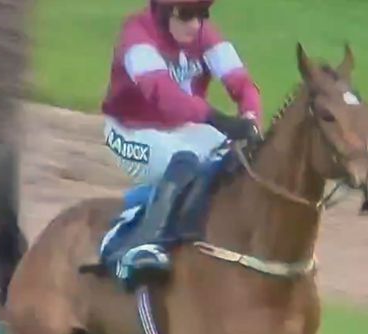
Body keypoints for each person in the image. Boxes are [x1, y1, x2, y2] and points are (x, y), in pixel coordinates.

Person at [100, 0, 263, 284]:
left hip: (183, 127)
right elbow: (163, 95)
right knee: (185, 164)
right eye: (186, 15)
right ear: (164, 12)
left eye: (202, 14)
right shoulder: (136, 36)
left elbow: (242, 84)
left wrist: (250, 118)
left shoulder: (205, 35)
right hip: (131, 132)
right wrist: (217, 119)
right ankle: (142, 245)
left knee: (238, 157)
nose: (195, 25)